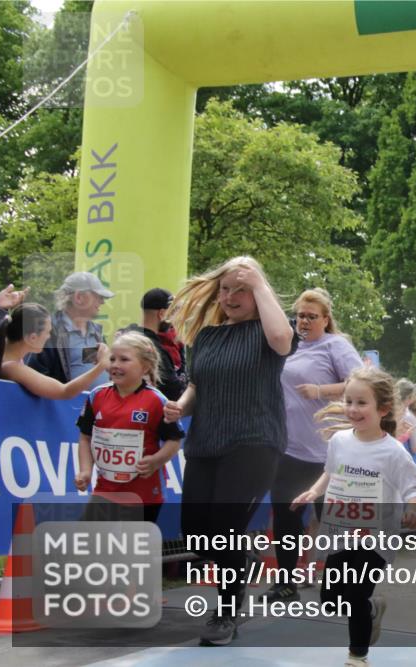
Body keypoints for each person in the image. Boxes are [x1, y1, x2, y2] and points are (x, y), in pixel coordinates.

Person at [163, 256, 297, 646]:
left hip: (255, 442)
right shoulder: (206, 337)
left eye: (241, 288)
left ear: (257, 291)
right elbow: (197, 386)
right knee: (195, 535)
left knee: (224, 530)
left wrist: (258, 282)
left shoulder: (270, 331)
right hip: (206, 442)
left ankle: (225, 613)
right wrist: (181, 406)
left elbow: (282, 341)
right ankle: (241, 560)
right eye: (225, 288)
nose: (230, 296)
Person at [292, 367, 416, 667]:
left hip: (374, 540)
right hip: (340, 534)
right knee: (330, 601)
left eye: (361, 403)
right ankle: (371, 610)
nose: (352, 409)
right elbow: (330, 472)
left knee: (355, 597)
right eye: (349, 401)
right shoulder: (339, 441)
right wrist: (313, 492)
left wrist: (412, 510)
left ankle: (358, 657)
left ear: (382, 409)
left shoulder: (393, 452)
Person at [263, 288, 363, 604]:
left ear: (326, 319)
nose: (304, 322)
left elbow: (362, 383)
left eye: (311, 316)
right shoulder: (288, 348)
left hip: (328, 451)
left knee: (333, 520)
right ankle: (286, 582)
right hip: (288, 449)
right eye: (300, 316)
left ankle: (337, 585)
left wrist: (322, 389)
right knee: (286, 517)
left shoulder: (335, 346)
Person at [74, 331, 185, 522]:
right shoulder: (96, 396)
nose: (115, 365)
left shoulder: (157, 400)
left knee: (132, 549)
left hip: (144, 495)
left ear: (145, 367)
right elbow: (85, 437)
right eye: (112, 359)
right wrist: (85, 471)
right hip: (105, 491)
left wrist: (156, 460)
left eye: (124, 359)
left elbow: (174, 440)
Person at [0, 303, 109, 398]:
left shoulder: (7, 356)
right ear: (32, 338)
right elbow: (64, 392)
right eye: (48, 332)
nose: (49, 337)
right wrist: (101, 366)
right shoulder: (11, 367)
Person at [27, 272, 113, 389]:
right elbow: (33, 379)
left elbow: (82, 363)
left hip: (99, 405)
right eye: (98, 296)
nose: (102, 302)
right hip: (65, 406)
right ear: (79, 297)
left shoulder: (96, 332)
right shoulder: (47, 331)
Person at [121, 287, 187, 400]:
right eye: (174, 312)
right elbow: (172, 388)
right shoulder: (151, 346)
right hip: (146, 410)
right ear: (162, 314)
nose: (176, 318)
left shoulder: (127, 337)